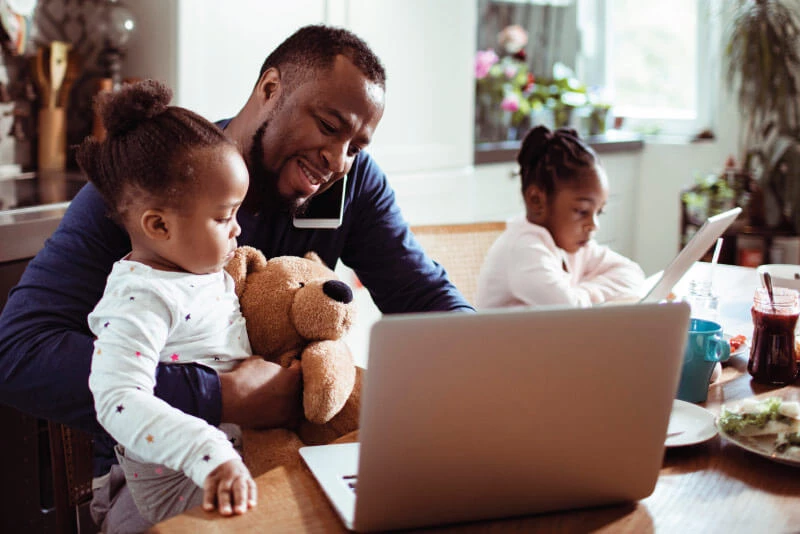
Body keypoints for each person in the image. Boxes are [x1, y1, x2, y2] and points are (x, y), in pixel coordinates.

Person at [0, 24, 472, 532]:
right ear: (271, 89)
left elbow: (423, 295)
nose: (339, 162)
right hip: (159, 473)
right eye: (329, 126)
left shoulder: (353, 184)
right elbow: (18, 354)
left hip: (285, 450)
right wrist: (220, 394)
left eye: (356, 145)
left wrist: (494, 363)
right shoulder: (152, 185)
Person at [81, 79, 259, 524]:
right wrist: (208, 452)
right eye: (224, 217)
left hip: (237, 458)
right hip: (183, 486)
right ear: (159, 226)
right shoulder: (141, 297)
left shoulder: (196, 271)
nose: (237, 229)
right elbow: (118, 397)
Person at [476, 126, 645, 309]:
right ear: (536, 200)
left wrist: (584, 292)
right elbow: (570, 309)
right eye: (581, 211)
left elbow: (633, 273)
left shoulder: (573, 245)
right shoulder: (523, 248)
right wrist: (587, 294)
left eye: (599, 212)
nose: (593, 225)